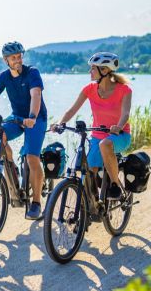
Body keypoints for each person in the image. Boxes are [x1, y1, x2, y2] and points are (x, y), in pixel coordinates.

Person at [0, 41, 48, 220]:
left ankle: (36, 203)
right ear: (5, 60)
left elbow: (35, 95)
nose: (18, 60)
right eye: (13, 58)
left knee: (32, 157)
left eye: (19, 56)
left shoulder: (32, 72)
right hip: (17, 118)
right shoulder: (4, 77)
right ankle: (12, 168)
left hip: (36, 119)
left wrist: (32, 117)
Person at [53, 51, 132, 199]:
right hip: (97, 137)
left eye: (93, 68)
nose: (90, 71)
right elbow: (72, 110)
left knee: (105, 144)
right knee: (89, 172)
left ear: (104, 70)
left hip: (120, 136)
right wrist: (60, 123)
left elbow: (126, 113)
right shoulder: (89, 89)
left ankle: (115, 186)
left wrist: (119, 126)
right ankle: (91, 203)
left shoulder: (124, 90)